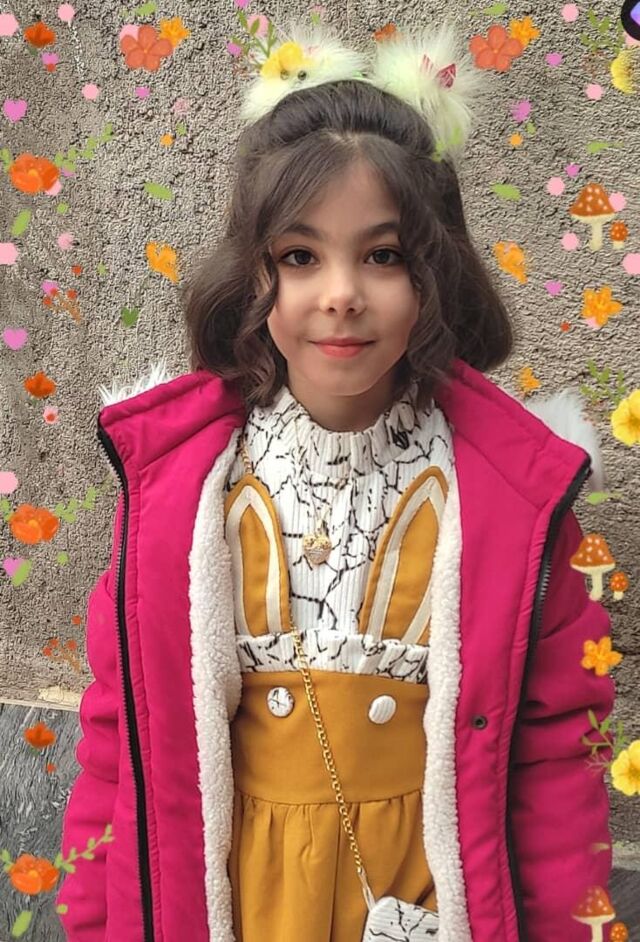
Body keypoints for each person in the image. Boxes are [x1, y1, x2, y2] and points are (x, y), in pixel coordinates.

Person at [56, 16, 616, 942]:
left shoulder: (513, 501)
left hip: (427, 900)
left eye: (383, 255)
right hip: (229, 903)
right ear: (254, 274)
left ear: (435, 274)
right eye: (300, 256)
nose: (342, 293)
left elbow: (558, 761)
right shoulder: (179, 492)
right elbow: (120, 737)